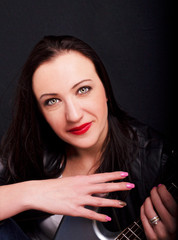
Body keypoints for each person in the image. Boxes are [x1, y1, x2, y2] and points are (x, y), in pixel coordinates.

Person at [0, 35, 177, 240]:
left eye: (83, 90)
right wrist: (30, 193)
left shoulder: (159, 162)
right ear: (39, 112)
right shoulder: (28, 150)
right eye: (52, 101)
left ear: (105, 90)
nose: (74, 116)